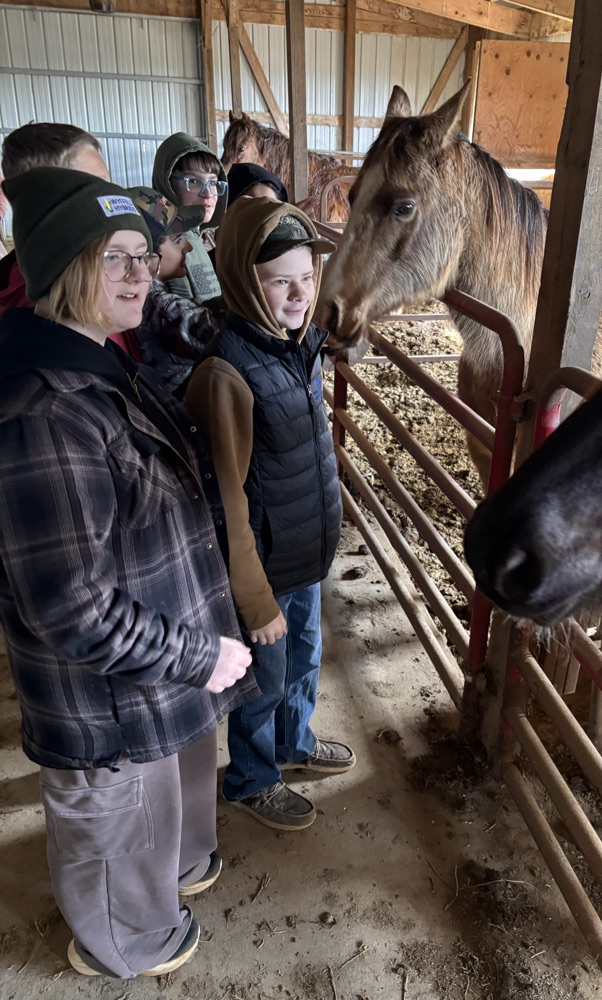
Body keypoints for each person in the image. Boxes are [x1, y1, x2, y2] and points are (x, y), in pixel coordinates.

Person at [0, 167, 257, 978]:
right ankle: (124, 940)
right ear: (65, 270)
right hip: (107, 699)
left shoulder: (100, 360)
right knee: (114, 826)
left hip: (156, 671)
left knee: (160, 811)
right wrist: (199, 654)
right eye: (116, 258)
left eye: (143, 256)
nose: (141, 274)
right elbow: (72, 607)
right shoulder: (43, 413)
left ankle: (171, 884)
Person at [185, 198, 352, 831]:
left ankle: (294, 743)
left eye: (307, 277)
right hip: (266, 567)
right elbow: (227, 497)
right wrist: (253, 600)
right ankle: (252, 779)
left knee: (305, 655)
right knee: (265, 677)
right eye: (280, 280)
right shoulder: (229, 370)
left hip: (303, 551)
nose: (299, 294)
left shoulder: (300, 346)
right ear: (242, 281)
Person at [0, 122, 109, 312]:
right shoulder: (47, 307)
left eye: (108, 187)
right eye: (91, 190)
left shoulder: (91, 268)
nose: (108, 199)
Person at [128, 187, 222, 391]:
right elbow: (225, 335)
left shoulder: (143, 299)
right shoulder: (161, 308)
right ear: (147, 253)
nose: (188, 247)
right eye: (178, 240)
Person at [151, 132, 227, 305]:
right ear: (167, 183)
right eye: (194, 181)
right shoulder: (161, 243)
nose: (208, 194)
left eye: (213, 183)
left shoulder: (196, 238)